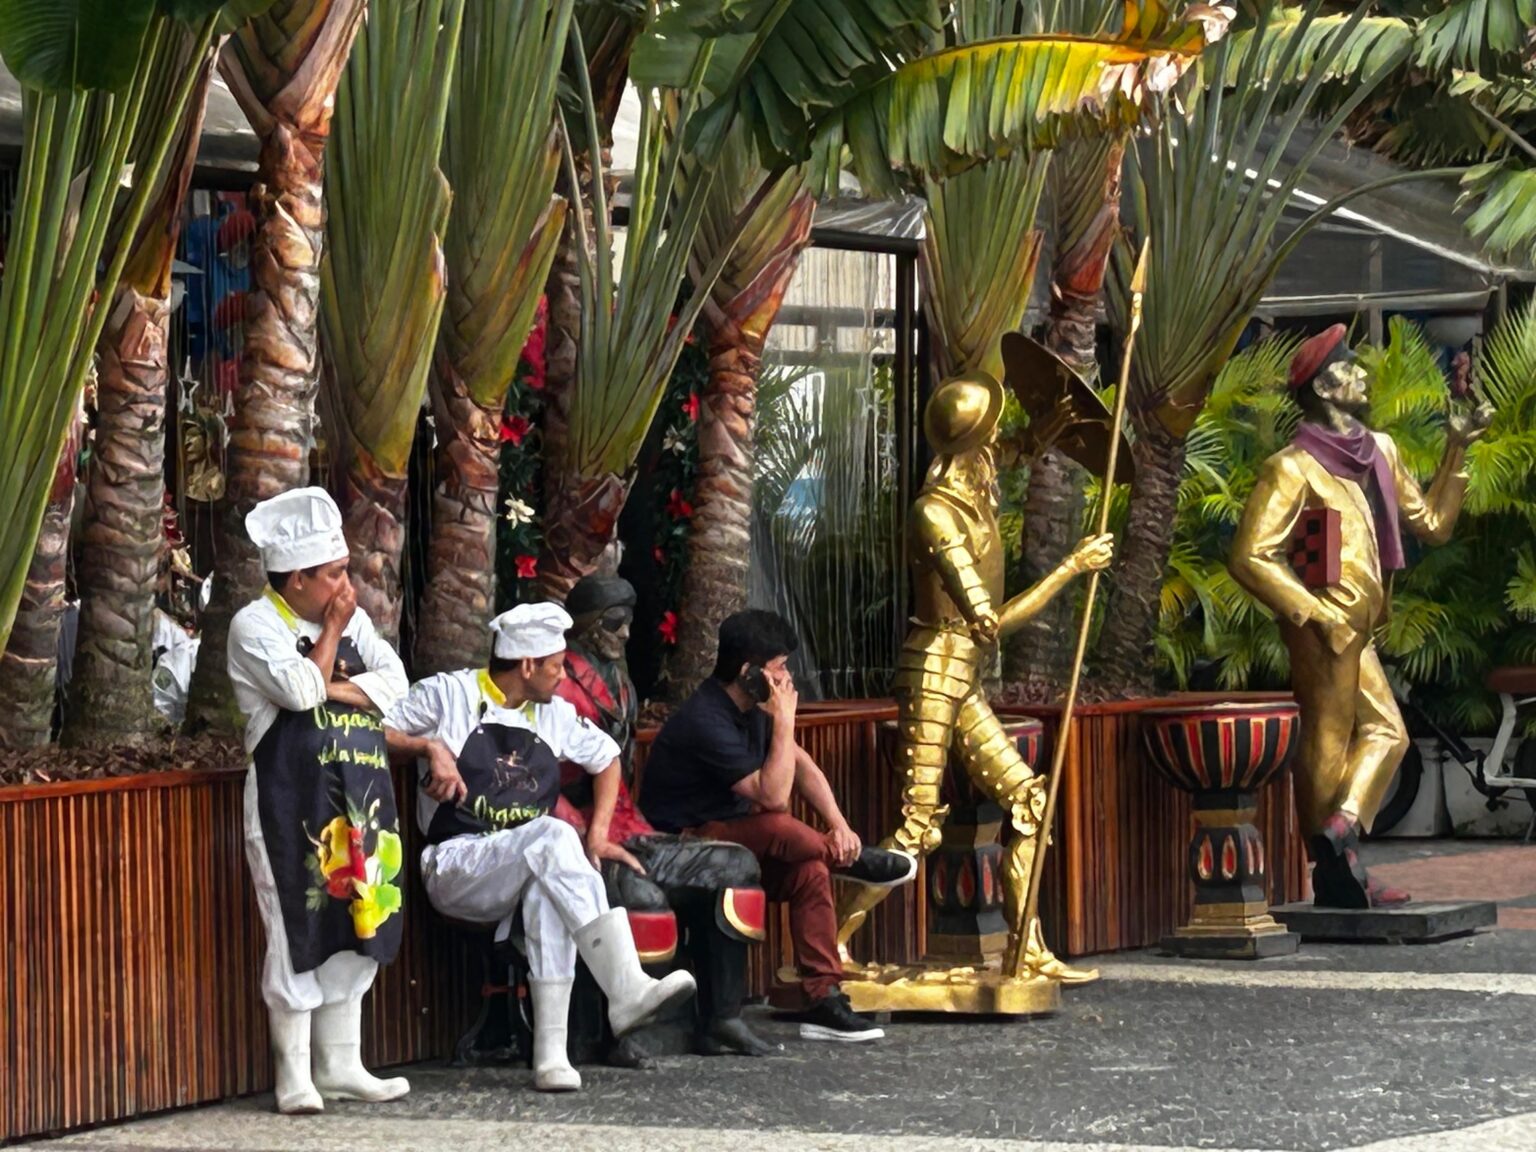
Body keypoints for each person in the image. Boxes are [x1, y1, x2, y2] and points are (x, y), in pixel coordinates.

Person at [834, 366, 1111, 986]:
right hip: (935, 672)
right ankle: (827, 948)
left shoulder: (971, 490)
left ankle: (1027, 949)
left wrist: (1045, 432)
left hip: (962, 680)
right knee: (917, 827)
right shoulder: (935, 515)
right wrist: (1072, 567)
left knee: (1029, 803)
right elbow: (988, 622)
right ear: (972, 444)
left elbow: (1012, 455)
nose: (999, 446)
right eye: (993, 433)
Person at [382, 603, 696, 1091]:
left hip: (527, 864)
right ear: (526, 665)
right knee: (552, 836)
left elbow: (608, 757)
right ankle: (626, 987)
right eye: (556, 665)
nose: (562, 674)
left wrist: (598, 834)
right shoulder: (448, 695)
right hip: (455, 862)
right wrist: (429, 748)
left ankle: (550, 1057)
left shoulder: (555, 714)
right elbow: (371, 727)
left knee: (547, 887)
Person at [1230, 324, 1492, 907]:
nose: (1365, 375)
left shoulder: (1381, 452)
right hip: (1323, 622)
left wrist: (1458, 448)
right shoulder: (1291, 468)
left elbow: (1434, 525)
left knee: (1388, 734)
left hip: (1360, 626)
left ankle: (1340, 832)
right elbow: (1249, 556)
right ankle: (1332, 867)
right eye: (1352, 369)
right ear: (1325, 385)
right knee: (1327, 738)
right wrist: (1313, 614)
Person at [640, 609, 916, 1043]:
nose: (787, 679)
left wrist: (840, 826)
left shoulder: (755, 709)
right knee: (776, 824)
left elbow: (800, 764)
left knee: (810, 872)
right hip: (680, 847)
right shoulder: (705, 718)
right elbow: (773, 795)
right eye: (779, 668)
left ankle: (824, 996)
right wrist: (785, 719)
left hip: (732, 843)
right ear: (749, 673)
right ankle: (853, 862)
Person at [227, 487, 410, 1114]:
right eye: (333, 574)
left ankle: (342, 1064)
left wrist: (339, 681)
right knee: (297, 929)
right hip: (290, 804)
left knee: (362, 919)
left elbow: (396, 685)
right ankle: (295, 1076)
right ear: (298, 577)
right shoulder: (255, 626)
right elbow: (302, 695)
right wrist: (331, 637)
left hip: (361, 799)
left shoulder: (355, 618)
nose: (346, 585)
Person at [555, 576, 776, 1058]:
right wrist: (584, 835)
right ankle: (621, 1031)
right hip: (575, 830)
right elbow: (541, 782)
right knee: (640, 893)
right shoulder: (556, 684)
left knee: (737, 867)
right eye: (615, 623)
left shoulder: (619, 681)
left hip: (628, 824)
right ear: (588, 627)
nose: (626, 634)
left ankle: (723, 1018)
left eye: (629, 623)